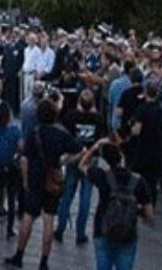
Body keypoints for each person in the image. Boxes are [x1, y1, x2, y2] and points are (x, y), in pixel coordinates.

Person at [5, 100, 82, 270]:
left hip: (34, 180)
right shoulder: (61, 134)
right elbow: (79, 150)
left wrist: (25, 182)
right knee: (49, 221)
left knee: (28, 218)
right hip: (52, 182)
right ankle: (44, 261)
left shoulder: (35, 133)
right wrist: (65, 160)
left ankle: (19, 255)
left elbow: (24, 159)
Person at [81, 140, 153, 270]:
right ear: (122, 157)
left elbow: (82, 165)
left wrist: (93, 148)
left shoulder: (101, 176)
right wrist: (135, 210)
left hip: (103, 230)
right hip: (128, 234)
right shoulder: (138, 180)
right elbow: (149, 215)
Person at [56, 89, 107, 244]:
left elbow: (63, 134)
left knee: (67, 195)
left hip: (74, 157)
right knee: (86, 197)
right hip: (91, 159)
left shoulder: (71, 116)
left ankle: (60, 229)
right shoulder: (99, 119)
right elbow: (102, 139)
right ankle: (80, 233)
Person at [0, 101, 23, 239]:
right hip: (12, 166)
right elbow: (21, 146)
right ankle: (10, 228)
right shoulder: (16, 130)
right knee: (11, 197)